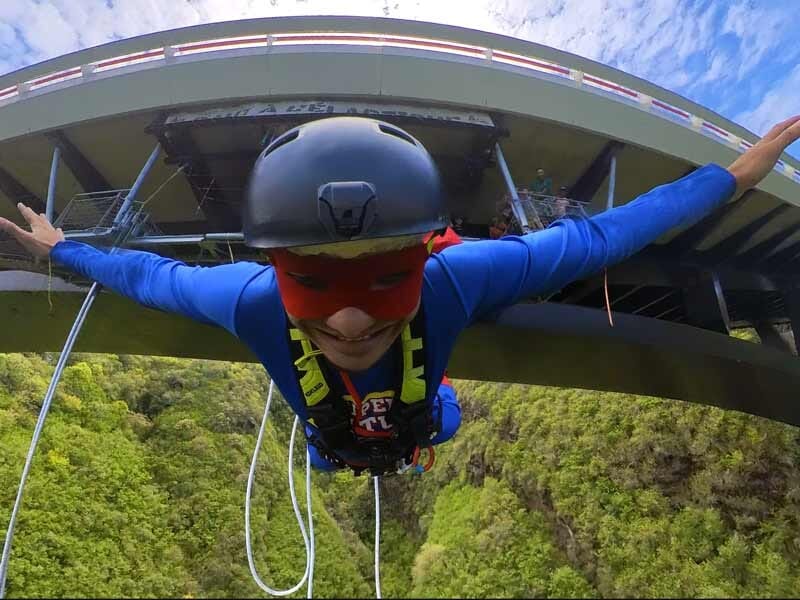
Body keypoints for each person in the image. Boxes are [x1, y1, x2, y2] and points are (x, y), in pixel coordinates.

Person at [2, 115, 798, 476]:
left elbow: (603, 238)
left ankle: (412, 436)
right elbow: (148, 277)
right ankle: (397, 438)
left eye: (384, 282)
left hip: (413, 416)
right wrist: (65, 250)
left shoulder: (455, 276)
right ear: (281, 275)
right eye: (317, 285)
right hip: (333, 432)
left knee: (432, 425)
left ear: (419, 263)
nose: (349, 319)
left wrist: (728, 179)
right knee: (339, 449)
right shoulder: (254, 302)